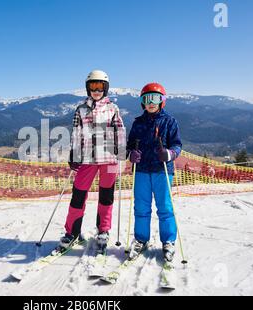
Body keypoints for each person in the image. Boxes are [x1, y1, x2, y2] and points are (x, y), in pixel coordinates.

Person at [58, 70, 126, 255]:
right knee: (78, 195)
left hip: (109, 159)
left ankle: (103, 231)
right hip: (87, 158)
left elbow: (119, 131)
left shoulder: (113, 109)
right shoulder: (81, 109)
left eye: (100, 87)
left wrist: (121, 152)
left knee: (106, 196)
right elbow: (77, 133)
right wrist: (74, 153)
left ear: (106, 88)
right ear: (88, 88)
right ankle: (72, 232)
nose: (96, 90)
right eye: (93, 87)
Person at [127, 83, 182, 262]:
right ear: (142, 102)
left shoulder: (169, 121)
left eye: (155, 99)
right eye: (146, 99)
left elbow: (177, 144)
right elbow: (129, 145)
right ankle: (141, 239)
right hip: (142, 170)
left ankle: (168, 241)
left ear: (162, 101)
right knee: (141, 207)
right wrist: (131, 154)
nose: (151, 103)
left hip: (162, 170)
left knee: (165, 207)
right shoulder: (137, 123)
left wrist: (170, 154)